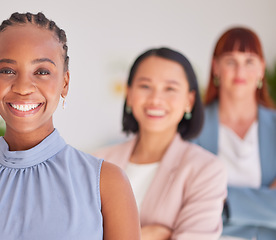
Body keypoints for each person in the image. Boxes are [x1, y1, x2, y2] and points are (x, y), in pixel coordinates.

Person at [0, 12, 140, 240]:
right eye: (7, 71)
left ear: (64, 83)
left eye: (42, 72)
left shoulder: (107, 183)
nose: (23, 87)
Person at [94, 47, 227, 240]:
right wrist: (147, 235)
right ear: (129, 94)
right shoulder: (96, 162)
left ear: (189, 101)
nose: (156, 99)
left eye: (170, 89)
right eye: (145, 86)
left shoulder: (206, 170)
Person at [192, 27, 276, 240]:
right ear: (215, 67)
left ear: (261, 69)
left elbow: (208, 201)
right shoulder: (194, 128)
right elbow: (192, 203)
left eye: (249, 62)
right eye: (230, 61)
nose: (240, 72)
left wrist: (224, 202)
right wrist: (266, 201)